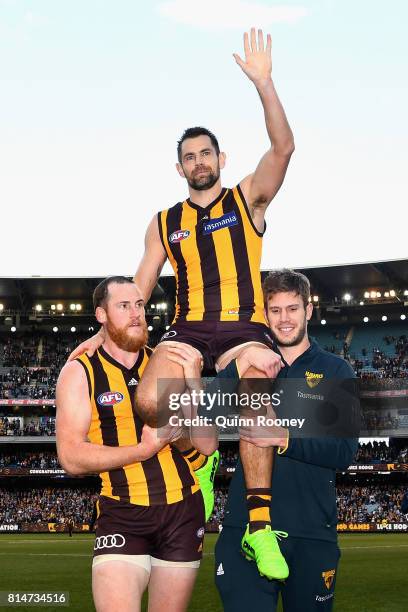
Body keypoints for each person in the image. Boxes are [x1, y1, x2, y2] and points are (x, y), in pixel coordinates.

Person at [69, 28, 295, 580]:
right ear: (179, 168)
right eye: (189, 157)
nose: (198, 162)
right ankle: (203, 454)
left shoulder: (247, 200)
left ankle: (260, 529)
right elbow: (140, 290)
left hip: (244, 327)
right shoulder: (165, 222)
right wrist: (103, 332)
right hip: (189, 329)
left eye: (205, 153)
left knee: (258, 394)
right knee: (150, 400)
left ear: (221, 157)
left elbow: (284, 148)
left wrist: (265, 84)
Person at [56, 277, 215, 612]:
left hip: (183, 510)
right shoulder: (80, 372)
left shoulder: (167, 362)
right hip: (123, 512)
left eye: (140, 305)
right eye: (124, 306)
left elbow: (208, 444)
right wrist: (142, 450)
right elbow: (70, 457)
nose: (136, 314)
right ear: (101, 315)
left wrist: (196, 389)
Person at [214, 269, 359, 611]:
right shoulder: (247, 365)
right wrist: (237, 366)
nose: (284, 319)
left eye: (292, 308)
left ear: (308, 310)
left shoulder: (336, 371)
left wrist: (284, 438)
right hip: (246, 531)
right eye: (275, 310)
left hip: (311, 532)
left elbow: (344, 453)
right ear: (265, 315)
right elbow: (199, 417)